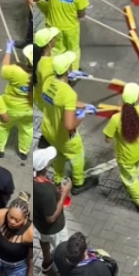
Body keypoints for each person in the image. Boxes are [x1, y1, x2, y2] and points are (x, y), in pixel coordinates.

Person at [38, 52, 99, 194]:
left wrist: (82, 105)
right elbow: (69, 125)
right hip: (63, 136)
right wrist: (82, 114)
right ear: (67, 70)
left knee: (58, 155)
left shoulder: (48, 82)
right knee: (77, 154)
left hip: (48, 130)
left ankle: (58, 180)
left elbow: (59, 102)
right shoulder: (68, 93)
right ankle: (78, 184)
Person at [21, 0, 89, 71]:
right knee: (73, 50)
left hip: (53, 26)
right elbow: (81, 14)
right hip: (71, 28)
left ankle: (54, 70)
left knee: (56, 49)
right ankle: (73, 74)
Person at [102, 83, 139, 215]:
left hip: (126, 156)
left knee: (130, 181)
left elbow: (107, 138)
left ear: (122, 99)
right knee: (135, 170)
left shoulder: (115, 119)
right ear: (137, 99)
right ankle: (133, 179)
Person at [33, 146, 70, 276]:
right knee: (62, 248)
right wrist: (64, 193)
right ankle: (61, 274)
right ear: (45, 165)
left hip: (40, 225)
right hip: (55, 228)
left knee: (44, 240)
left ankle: (46, 262)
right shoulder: (45, 191)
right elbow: (51, 217)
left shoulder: (34, 182)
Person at [0, 42, 34, 158]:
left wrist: (8, 50)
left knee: (3, 126)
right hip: (30, 109)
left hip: (11, 107)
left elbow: (4, 69)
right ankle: (24, 151)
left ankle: (0, 149)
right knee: (27, 129)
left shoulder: (15, 71)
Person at [32, 27, 59, 112]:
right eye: (53, 38)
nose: (56, 38)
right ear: (48, 44)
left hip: (37, 95)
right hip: (47, 102)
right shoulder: (47, 66)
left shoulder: (35, 56)